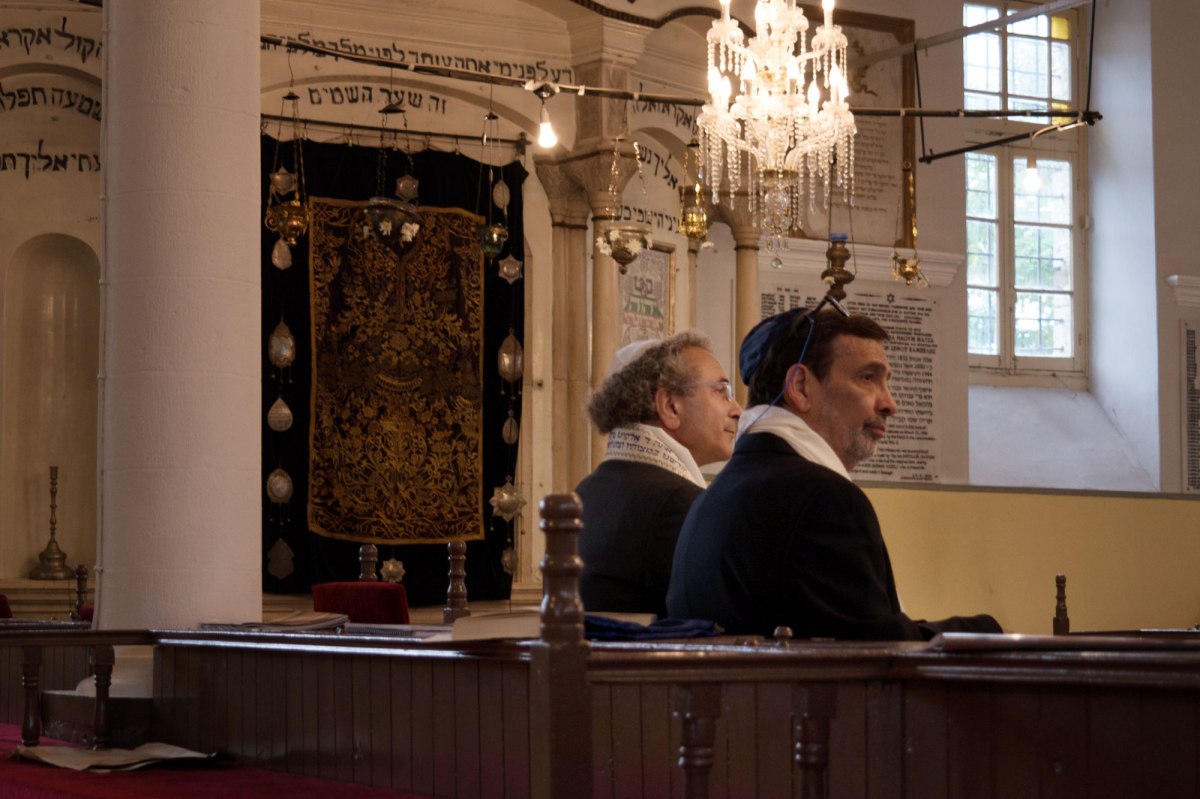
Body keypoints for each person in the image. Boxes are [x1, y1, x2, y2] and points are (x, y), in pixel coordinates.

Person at [665, 300, 1002, 640]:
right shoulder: (824, 500)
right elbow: (878, 650)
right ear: (800, 387)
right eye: (867, 378)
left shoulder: (713, 496)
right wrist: (989, 632)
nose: (890, 404)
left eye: (886, 382)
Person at [576, 332, 742, 618]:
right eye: (722, 391)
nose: (737, 409)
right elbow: (723, 618)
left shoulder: (587, 489)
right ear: (670, 406)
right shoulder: (679, 503)